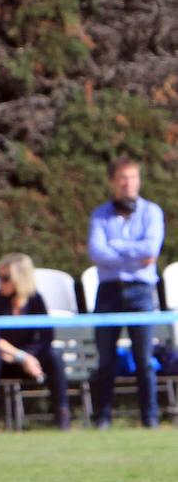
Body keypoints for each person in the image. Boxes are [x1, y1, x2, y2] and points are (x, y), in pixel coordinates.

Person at [88, 156, 165, 429]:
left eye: (132, 177)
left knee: (145, 360)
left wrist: (117, 245)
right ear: (113, 182)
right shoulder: (100, 215)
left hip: (142, 292)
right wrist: (133, 254)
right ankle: (103, 418)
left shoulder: (152, 212)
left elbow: (150, 251)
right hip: (108, 292)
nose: (128, 183)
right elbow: (97, 253)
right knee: (105, 359)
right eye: (122, 178)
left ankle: (150, 418)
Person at [0, 253, 70, 432]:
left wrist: (29, 358)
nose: (0, 282)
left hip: (29, 362)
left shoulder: (35, 300)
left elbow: (47, 335)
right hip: (0, 361)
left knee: (55, 354)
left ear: (20, 279)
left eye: (5, 278)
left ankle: (62, 417)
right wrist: (21, 356)